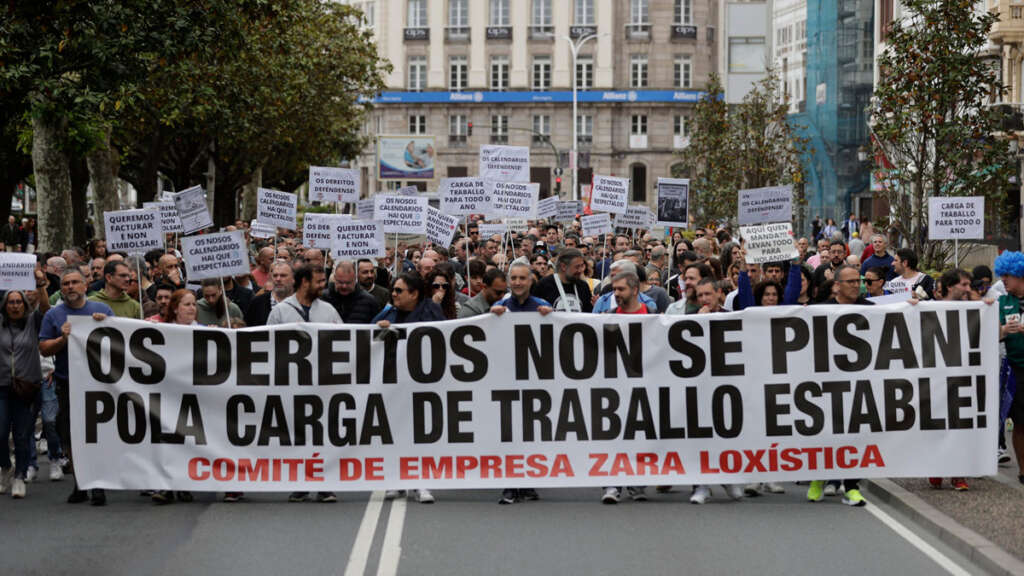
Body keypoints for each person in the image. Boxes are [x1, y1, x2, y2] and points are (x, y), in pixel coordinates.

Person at [267, 265, 342, 503]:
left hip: (323, 386)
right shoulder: (280, 312)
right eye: (318, 282)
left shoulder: (329, 311)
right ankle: (300, 482)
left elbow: (345, 341)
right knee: (297, 436)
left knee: (323, 436)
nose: (323, 286)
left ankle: (325, 484)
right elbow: (267, 345)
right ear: (303, 283)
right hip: (292, 387)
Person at [39, 269, 114, 505]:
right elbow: (44, 348)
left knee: (97, 433)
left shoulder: (102, 311)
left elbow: (118, 342)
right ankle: (81, 483)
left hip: (99, 383)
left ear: (85, 286)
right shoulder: (54, 315)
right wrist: (62, 339)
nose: (70, 287)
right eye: (66, 284)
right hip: (67, 382)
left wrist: (107, 325)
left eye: (75, 282)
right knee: (71, 434)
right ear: (61, 289)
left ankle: (98, 483)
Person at [375, 273, 446, 504]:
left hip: (424, 383)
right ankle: (397, 479)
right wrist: (379, 331)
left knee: (421, 434)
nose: (393, 295)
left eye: (398, 291)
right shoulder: (388, 313)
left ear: (414, 294)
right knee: (396, 433)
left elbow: (442, 337)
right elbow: (367, 338)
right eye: (393, 290)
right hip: (395, 384)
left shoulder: (431, 311)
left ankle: (422, 480)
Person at [806, 265, 870, 507]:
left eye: (859, 280)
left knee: (854, 436)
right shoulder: (821, 310)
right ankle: (817, 479)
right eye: (851, 281)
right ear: (837, 285)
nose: (856, 285)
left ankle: (851, 487)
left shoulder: (872, 310)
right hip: (825, 385)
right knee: (824, 435)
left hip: (858, 387)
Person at [490, 262, 552, 504]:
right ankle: (510, 483)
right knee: (509, 433)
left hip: (534, 382)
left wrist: (551, 318)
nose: (517, 282)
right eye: (513, 278)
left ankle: (526, 483)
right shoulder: (500, 308)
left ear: (530, 281)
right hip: (506, 381)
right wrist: (491, 319)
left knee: (529, 433)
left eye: (522, 278)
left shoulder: (541, 307)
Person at [689, 278, 745, 504]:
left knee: (725, 434)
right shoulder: (689, 318)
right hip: (699, 387)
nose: (704, 299)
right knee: (699, 435)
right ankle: (701, 484)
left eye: (707, 294)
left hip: (726, 385)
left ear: (718, 293)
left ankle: (726, 477)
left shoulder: (730, 316)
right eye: (700, 295)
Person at [600, 269, 651, 505]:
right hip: (615, 388)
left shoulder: (652, 316)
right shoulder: (609, 316)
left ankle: (636, 481)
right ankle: (613, 483)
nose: (616, 294)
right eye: (614, 289)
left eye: (621, 289)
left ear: (635, 290)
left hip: (643, 386)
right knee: (614, 436)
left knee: (639, 436)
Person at [150, 289, 199, 505]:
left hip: (195, 396)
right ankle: (166, 486)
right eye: (187, 304)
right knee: (167, 441)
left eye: (194, 304)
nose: (192, 308)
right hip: (166, 395)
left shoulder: (204, 331)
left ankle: (185, 484)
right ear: (176, 308)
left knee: (188, 440)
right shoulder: (160, 331)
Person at [0, 288, 48, 499]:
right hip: (1, 387)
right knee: (1, 433)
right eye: (11, 302)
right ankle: (5, 467)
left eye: (19, 301)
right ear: (4, 305)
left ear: (25, 304)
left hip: (27, 388)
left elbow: (45, 309)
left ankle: (19, 475)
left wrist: (42, 286)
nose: (15, 305)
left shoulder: (33, 322)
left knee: (21, 435)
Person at [928, 269, 973, 491]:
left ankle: (958, 473)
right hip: (936, 378)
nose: (968, 289)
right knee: (937, 425)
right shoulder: (932, 309)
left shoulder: (976, 309)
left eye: (969, 285)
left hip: (963, 377)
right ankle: (936, 467)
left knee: (960, 425)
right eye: (963, 285)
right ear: (949, 287)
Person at [533, 248, 593, 313]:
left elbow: (589, 313)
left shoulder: (583, 286)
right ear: (563, 266)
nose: (581, 270)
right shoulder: (543, 285)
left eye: (582, 266)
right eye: (577, 267)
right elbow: (532, 311)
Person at [245, 261, 294, 327]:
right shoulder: (257, 302)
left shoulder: (301, 301)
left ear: (293, 278)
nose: (278, 279)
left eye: (283, 275)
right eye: (275, 275)